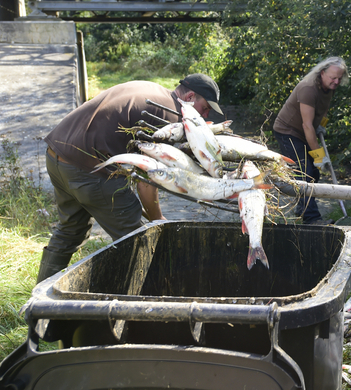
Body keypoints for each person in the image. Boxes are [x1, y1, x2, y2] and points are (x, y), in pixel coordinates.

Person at [37, 73, 223, 283]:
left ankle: (38, 301)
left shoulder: (153, 89)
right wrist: (156, 219)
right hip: (88, 170)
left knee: (69, 232)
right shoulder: (169, 115)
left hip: (57, 156)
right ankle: (141, 306)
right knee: (138, 241)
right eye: (205, 108)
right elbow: (147, 181)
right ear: (190, 97)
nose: (206, 114)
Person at [272, 57, 349, 225]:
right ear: (322, 73)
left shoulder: (328, 88)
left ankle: (302, 207)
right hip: (288, 132)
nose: (336, 82)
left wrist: (321, 124)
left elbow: (321, 111)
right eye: (333, 78)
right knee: (304, 172)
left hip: (306, 131)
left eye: (339, 78)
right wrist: (319, 156)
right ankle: (311, 218)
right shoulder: (308, 89)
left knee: (314, 173)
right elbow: (307, 126)